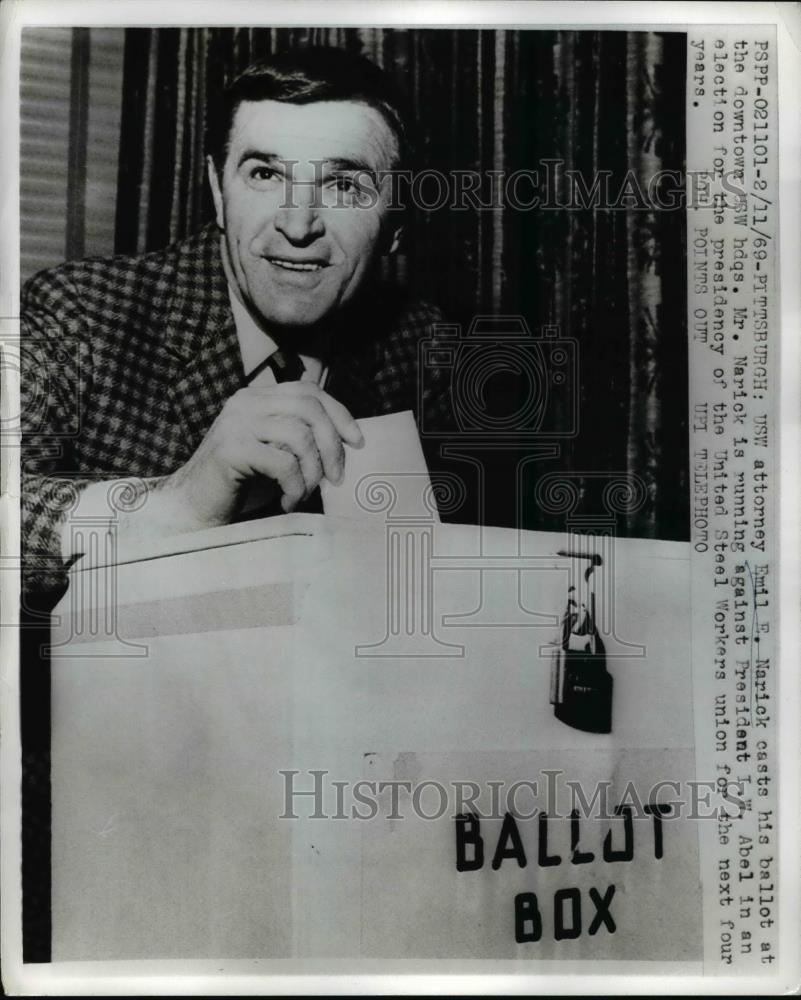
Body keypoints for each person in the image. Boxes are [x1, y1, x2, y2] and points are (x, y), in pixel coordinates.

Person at [21, 47, 457, 604]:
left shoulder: (425, 352)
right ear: (218, 189)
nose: (298, 225)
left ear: (396, 221)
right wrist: (174, 502)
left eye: (344, 186)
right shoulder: (80, 313)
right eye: (266, 174)